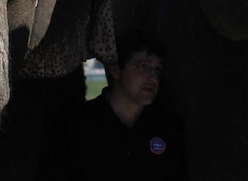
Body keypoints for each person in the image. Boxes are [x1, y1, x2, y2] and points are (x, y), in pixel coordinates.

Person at [38, 29, 186, 181]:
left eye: (157, 69)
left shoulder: (168, 127)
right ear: (116, 69)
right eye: (144, 66)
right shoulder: (78, 123)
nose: (153, 78)